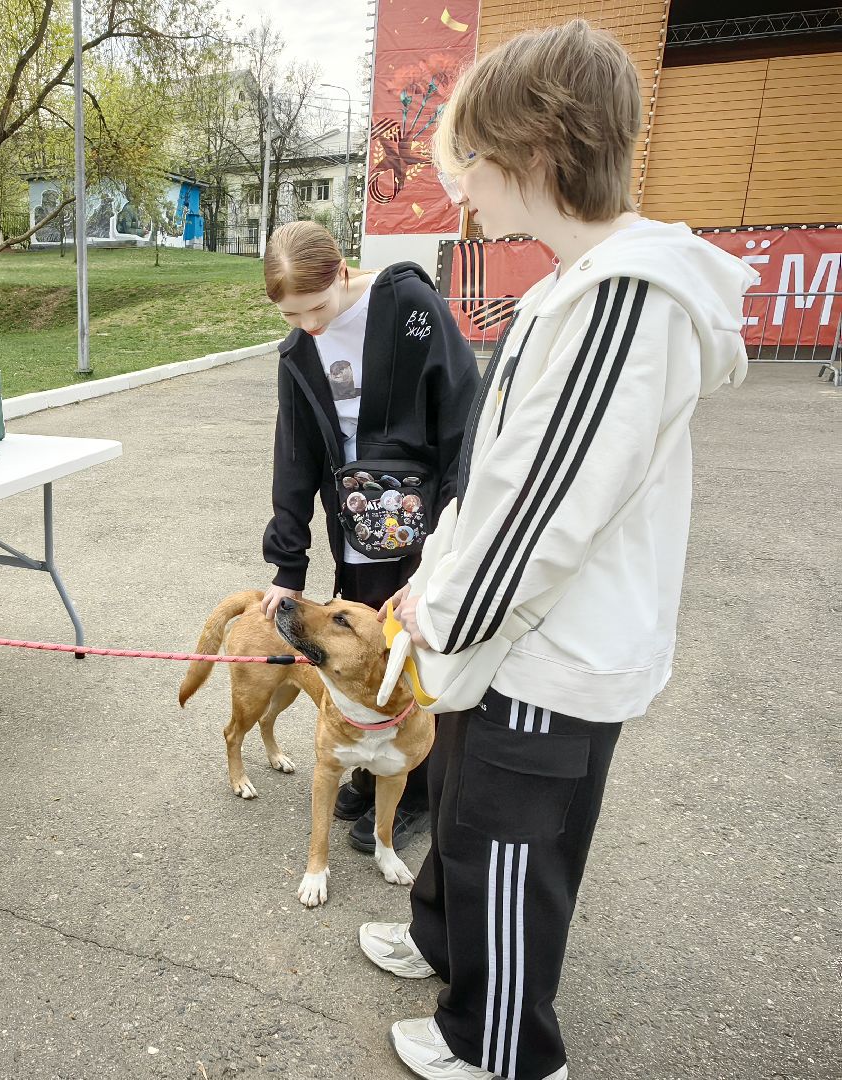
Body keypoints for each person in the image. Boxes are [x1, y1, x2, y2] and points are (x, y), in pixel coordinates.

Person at [357, 21, 755, 1080]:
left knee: (511, 851)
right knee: (470, 814)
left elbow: (542, 514)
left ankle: (500, 1049)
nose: (463, 196)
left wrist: (437, 618)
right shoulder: (568, 292)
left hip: (549, 651)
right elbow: (493, 481)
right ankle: (442, 946)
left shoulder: (622, 300)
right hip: (510, 640)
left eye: (472, 167)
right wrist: (428, 583)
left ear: (535, 151)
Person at [260, 221, 478, 853]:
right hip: (355, 527)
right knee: (360, 650)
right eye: (292, 315)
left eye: (317, 308)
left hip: (424, 526)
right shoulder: (299, 353)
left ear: (342, 270)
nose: (310, 326)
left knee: (419, 651)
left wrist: (454, 526)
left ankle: (416, 788)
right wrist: (287, 567)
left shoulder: (408, 306)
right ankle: (370, 762)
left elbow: (460, 412)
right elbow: (293, 458)